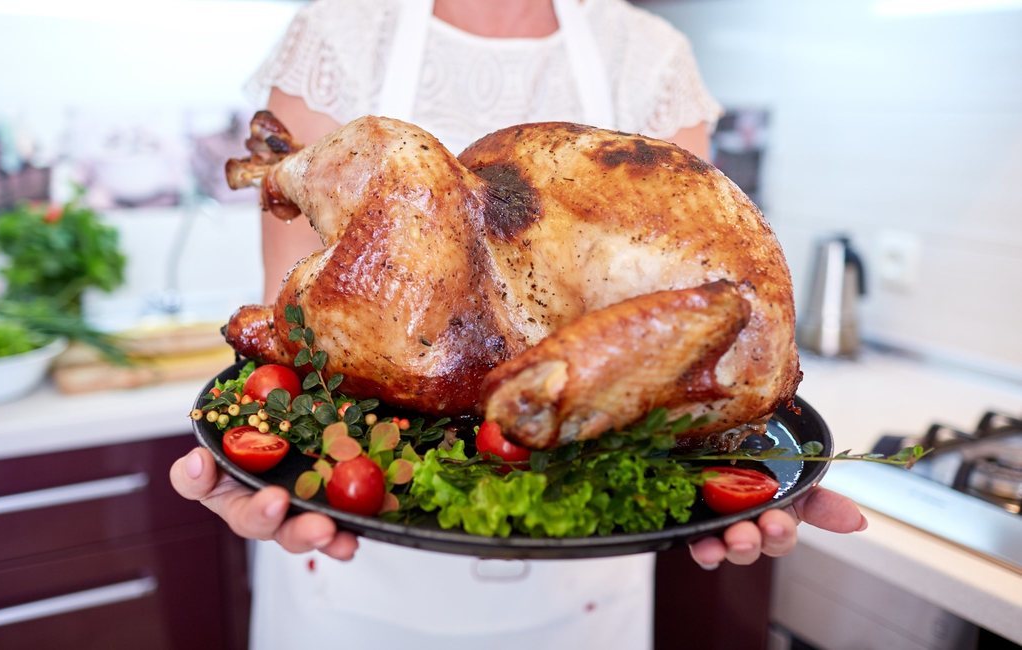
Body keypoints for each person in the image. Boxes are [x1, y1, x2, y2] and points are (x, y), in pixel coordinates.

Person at [171, 0, 866, 647]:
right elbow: (293, 310)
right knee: (409, 191)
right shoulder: (343, 28)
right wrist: (260, 457)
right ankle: (281, 169)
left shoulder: (651, 54)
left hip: (586, 600)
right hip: (345, 591)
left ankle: (280, 169)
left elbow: (706, 316)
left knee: (410, 182)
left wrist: (735, 481)